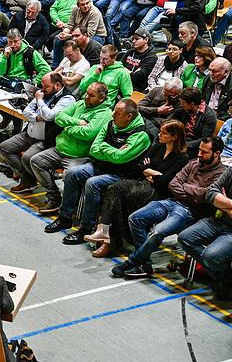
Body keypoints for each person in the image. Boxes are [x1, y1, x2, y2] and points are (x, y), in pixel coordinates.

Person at [114, 136, 227, 278]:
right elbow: (173, 183)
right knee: (135, 218)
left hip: (189, 211)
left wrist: (186, 187)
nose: (199, 154)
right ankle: (145, 264)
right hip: (171, 201)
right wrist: (192, 191)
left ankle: (132, 262)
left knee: (158, 232)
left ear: (216, 154)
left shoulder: (221, 174)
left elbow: (205, 195)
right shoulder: (193, 164)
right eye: (199, 150)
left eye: (204, 152)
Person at [46, 99, 152, 244]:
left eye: (118, 113)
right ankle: (65, 217)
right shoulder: (111, 124)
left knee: (92, 183)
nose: (113, 115)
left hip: (122, 175)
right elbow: (94, 150)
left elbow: (120, 158)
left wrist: (104, 148)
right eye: (114, 111)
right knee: (73, 173)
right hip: (100, 166)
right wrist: (110, 150)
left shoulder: (141, 135)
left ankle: (86, 227)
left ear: (129, 116)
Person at [85, 119, 190, 257]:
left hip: (158, 193)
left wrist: (149, 171)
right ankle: (107, 239)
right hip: (142, 184)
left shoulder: (182, 158)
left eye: (164, 133)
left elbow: (164, 181)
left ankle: (107, 237)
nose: (159, 135)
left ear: (174, 137)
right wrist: (152, 172)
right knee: (114, 191)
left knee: (117, 191)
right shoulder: (158, 146)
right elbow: (141, 166)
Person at [31, 82, 111, 214]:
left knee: (70, 175)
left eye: (91, 95)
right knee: (36, 161)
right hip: (60, 149)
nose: (86, 97)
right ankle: (53, 196)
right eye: (86, 93)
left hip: (79, 155)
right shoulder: (80, 104)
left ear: (101, 98)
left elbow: (88, 134)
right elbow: (59, 117)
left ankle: (68, 207)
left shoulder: (104, 113)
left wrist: (67, 127)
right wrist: (76, 123)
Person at [0, 73, 76, 193]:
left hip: (45, 139)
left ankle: (51, 190)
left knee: (28, 158)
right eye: (42, 86)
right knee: (5, 147)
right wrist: (37, 118)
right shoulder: (44, 93)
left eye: (46, 86)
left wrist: (39, 100)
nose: (42, 89)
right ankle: (27, 180)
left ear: (57, 85)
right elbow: (26, 112)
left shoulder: (67, 99)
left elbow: (50, 116)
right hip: (29, 133)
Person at [179, 158, 232, 300]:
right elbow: (210, 193)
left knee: (210, 256)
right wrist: (229, 206)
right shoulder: (231, 171)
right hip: (217, 220)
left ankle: (221, 278)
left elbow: (215, 196)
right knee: (185, 238)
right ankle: (223, 276)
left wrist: (222, 202)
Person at [0, 28, 51, 132]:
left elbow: (46, 69)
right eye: (10, 42)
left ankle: (17, 127)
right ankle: (6, 117)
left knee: (17, 102)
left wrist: (34, 81)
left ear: (20, 39)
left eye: (15, 41)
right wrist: (4, 57)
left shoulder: (30, 52)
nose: (13, 45)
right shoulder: (7, 52)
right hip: (9, 81)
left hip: (24, 84)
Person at [51, 0, 107, 68]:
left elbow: (89, 34)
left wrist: (69, 36)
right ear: (78, 5)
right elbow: (70, 25)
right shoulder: (75, 9)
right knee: (58, 38)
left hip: (96, 36)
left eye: (87, 3)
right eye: (82, 4)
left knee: (83, 42)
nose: (86, 6)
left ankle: (83, 67)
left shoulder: (95, 12)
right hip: (78, 33)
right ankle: (56, 66)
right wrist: (64, 33)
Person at [170, 86, 218, 158]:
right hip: (179, 139)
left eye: (183, 102)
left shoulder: (209, 116)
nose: (181, 104)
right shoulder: (182, 109)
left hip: (194, 147)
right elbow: (170, 122)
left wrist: (184, 144)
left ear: (192, 104)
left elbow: (204, 139)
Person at [120, 28, 158, 92]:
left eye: (137, 39)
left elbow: (136, 78)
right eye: (133, 39)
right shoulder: (130, 51)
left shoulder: (152, 58)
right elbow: (119, 66)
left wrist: (124, 70)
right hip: (122, 83)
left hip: (137, 89)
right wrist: (130, 73)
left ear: (146, 40)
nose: (133, 41)